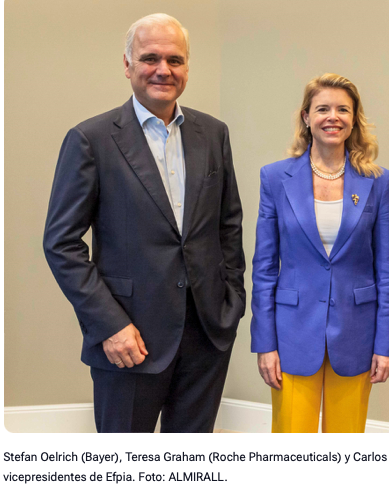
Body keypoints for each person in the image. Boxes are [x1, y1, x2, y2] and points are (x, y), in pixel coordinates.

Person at [43, 13, 245, 433]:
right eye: (150, 58)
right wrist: (110, 325)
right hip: (128, 338)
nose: (163, 70)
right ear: (127, 64)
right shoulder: (91, 139)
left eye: (175, 60)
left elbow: (228, 225)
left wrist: (232, 301)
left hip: (207, 335)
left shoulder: (214, 134)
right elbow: (61, 243)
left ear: (187, 67)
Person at [251, 73, 389, 433]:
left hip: (356, 332)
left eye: (342, 110)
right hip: (292, 333)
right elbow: (264, 269)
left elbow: (386, 269)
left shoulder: (378, 181)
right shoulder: (275, 178)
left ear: (354, 119)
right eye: (322, 109)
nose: (333, 117)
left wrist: (386, 343)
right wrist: (264, 344)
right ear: (306, 117)